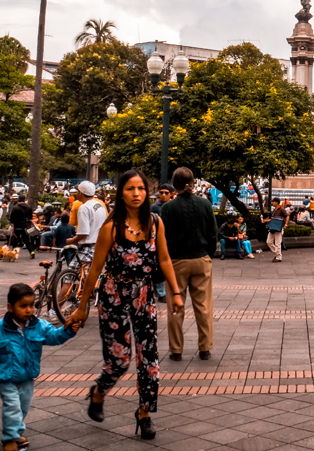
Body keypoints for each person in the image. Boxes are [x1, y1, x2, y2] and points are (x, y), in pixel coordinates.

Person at [65, 170, 183, 441]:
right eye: (130, 189)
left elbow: (164, 260)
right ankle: (99, 392)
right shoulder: (111, 227)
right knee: (119, 360)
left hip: (144, 294)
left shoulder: (156, 222)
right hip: (112, 295)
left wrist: (175, 292)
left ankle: (144, 413)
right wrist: (81, 307)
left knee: (149, 359)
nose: (137, 193)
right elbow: (94, 270)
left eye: (141, 188)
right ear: (121, 193)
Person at [0, 283, 78, 451]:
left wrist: (69, 330)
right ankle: (10, 439)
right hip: (6, 378)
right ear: (10, 307)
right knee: (12, 407)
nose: (29, 310)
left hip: (28, 377)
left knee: (22, 408)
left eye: (31, 305)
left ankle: (16, 432)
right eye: (23, 306)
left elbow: (54, 336)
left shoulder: (39, 326)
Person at [159, 167, 217, 361]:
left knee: (176, 306)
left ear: (174, 185)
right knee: (203, 306)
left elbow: (163, 238)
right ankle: (205, 348)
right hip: (201, 259)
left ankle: (176, 350)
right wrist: (207, 254)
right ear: (192, 183)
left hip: (176, 262)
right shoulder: (205, 204)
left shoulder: (168, 208)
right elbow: (213, 234)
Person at [67, 182, 107, 269]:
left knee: (69, 275)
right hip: (99, 246)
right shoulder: (100, 205)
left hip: (88, 247)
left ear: (81, 193)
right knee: (88, 275)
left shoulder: (84, 207)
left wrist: (73, 240)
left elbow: (84, 233)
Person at [267, 198, 288, 263]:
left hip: (278, 228)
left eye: (273, 202)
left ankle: (278, 257)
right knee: (268, 242)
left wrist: (286, 225)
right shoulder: (274, 210)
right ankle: (277, 253)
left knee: (277, 243)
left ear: (276, 202)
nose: (272, 203)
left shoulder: (281, 209)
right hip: (272, 228)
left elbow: (287, 216)